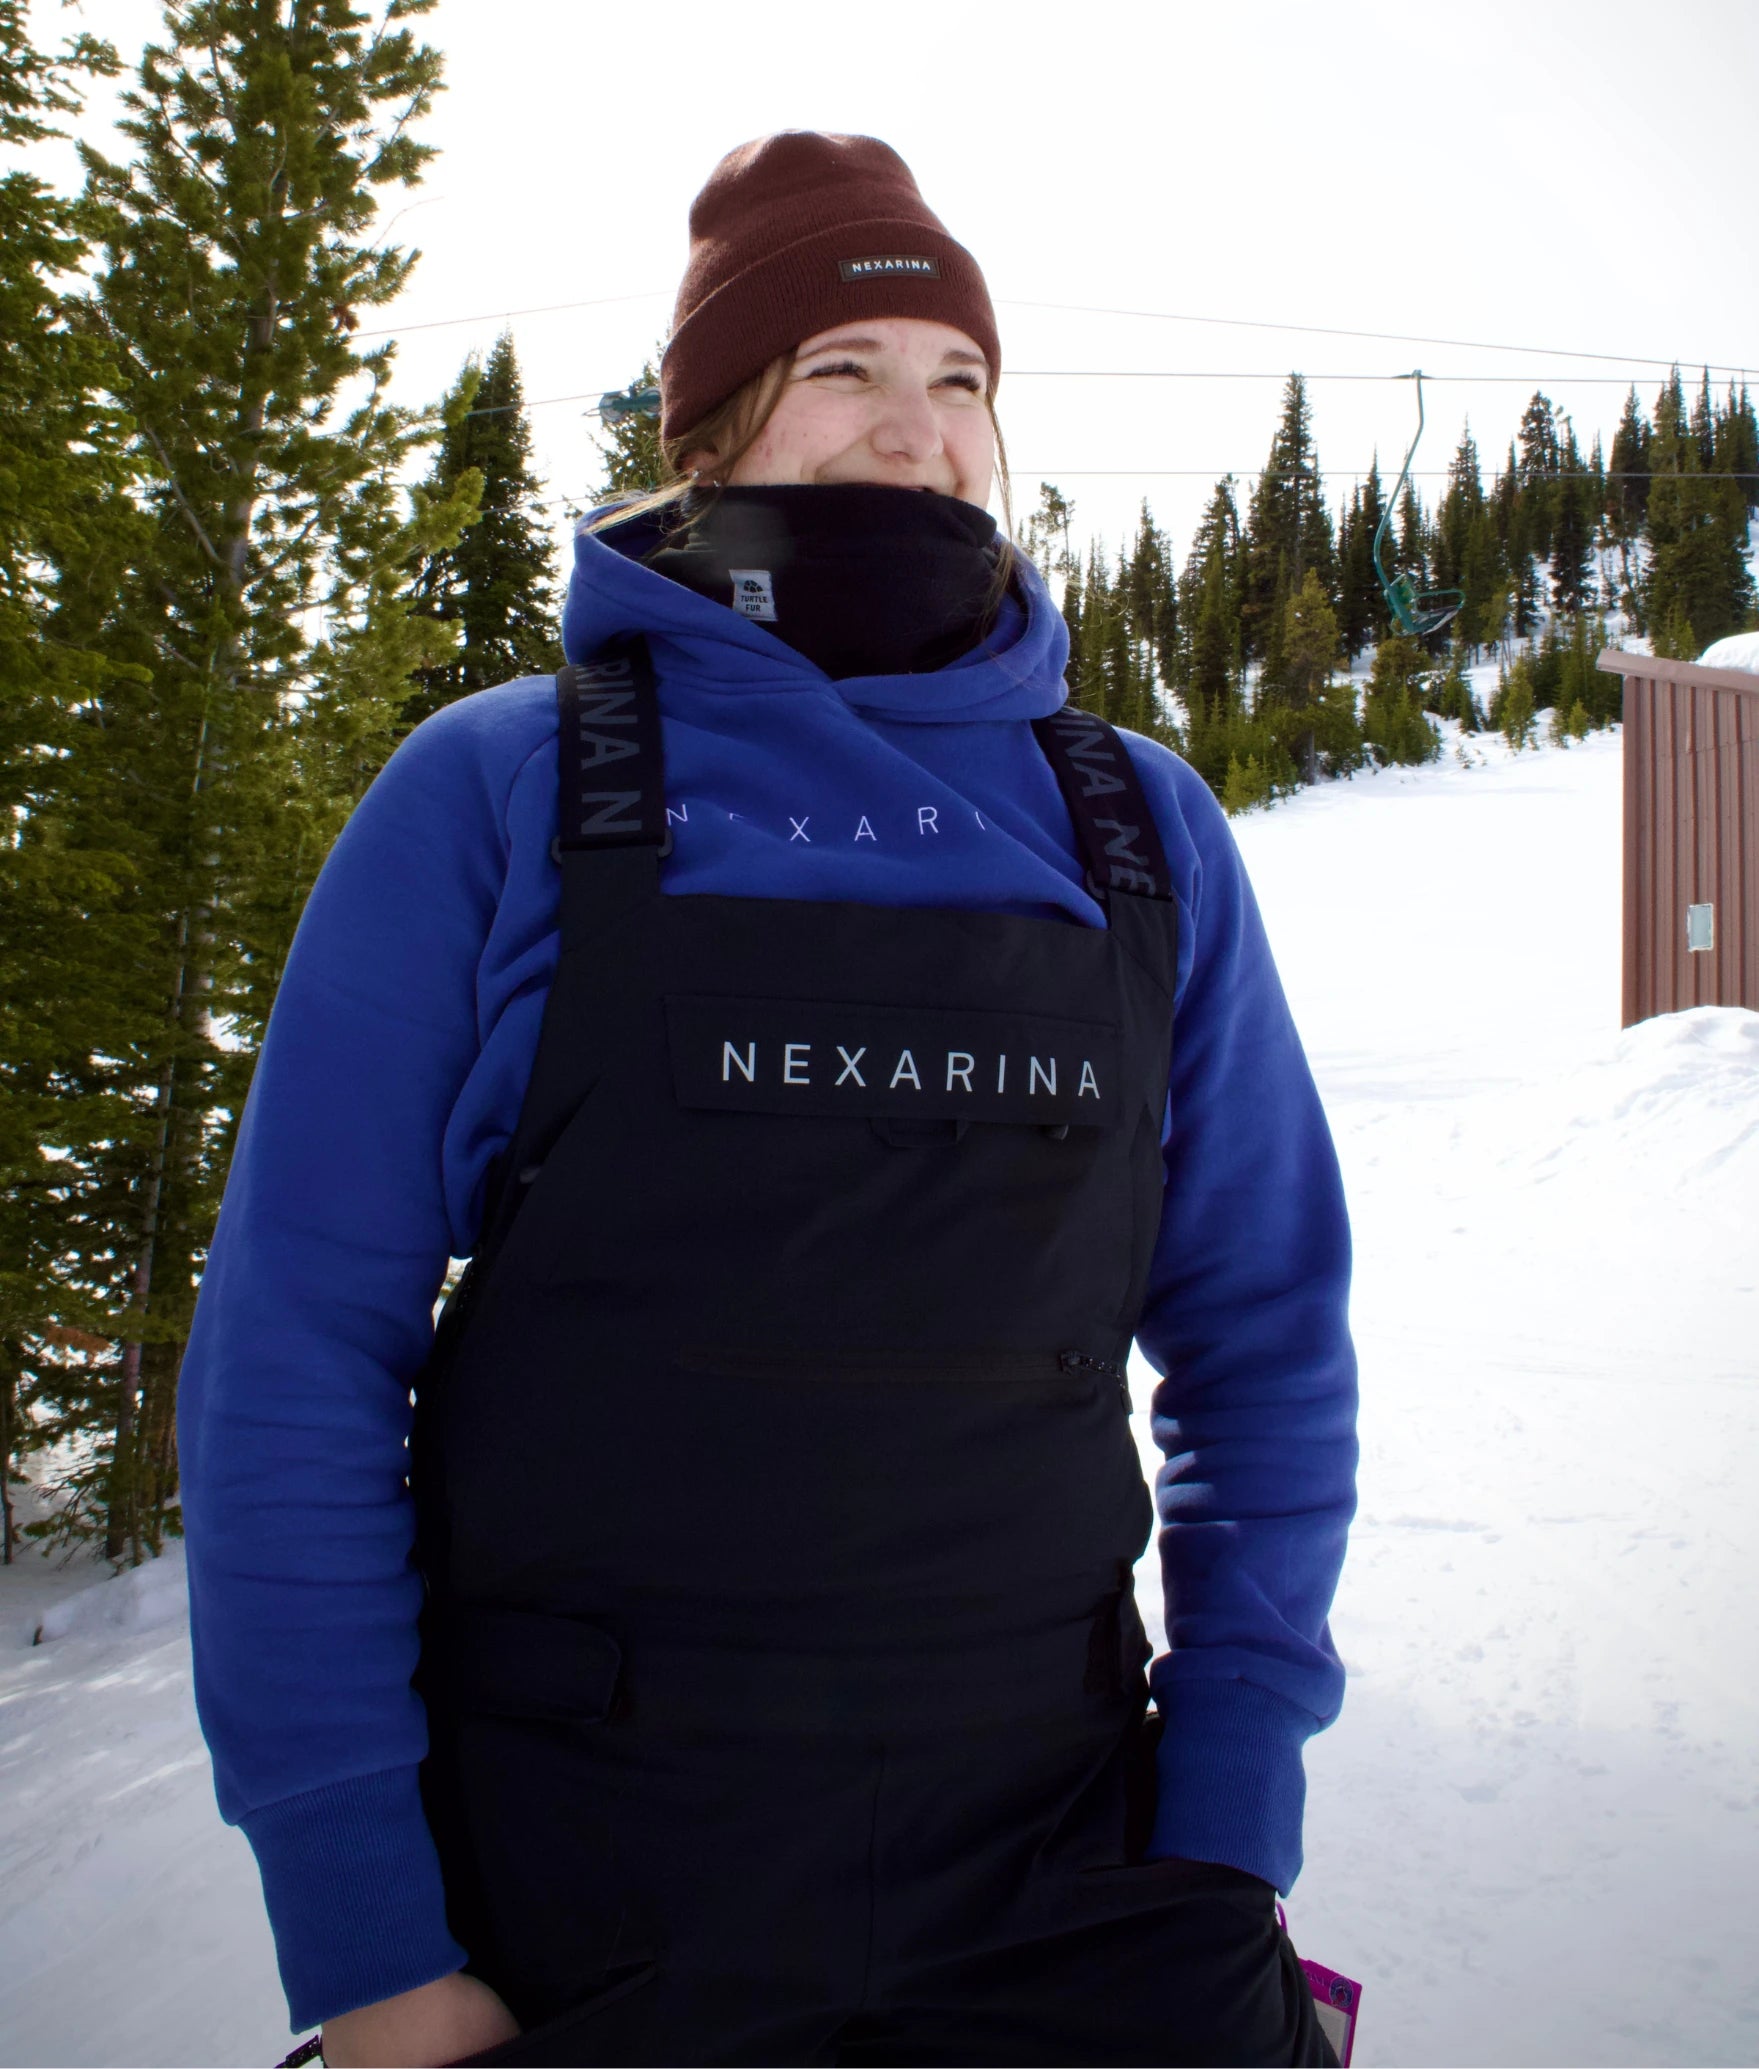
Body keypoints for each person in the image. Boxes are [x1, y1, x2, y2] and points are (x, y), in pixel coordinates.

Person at [180, 132, 1358, 2068]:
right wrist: (369, 1952)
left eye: (959, 381)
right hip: (595, 1898)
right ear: (713, 435)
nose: (919, 434)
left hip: (1077, 1882)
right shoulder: (496, 799)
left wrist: (1231, 1818)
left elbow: (1265, 1346)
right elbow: (292, 1367)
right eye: (846, 373)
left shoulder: (1139, 829)